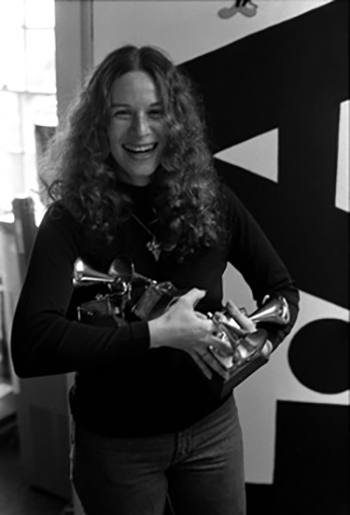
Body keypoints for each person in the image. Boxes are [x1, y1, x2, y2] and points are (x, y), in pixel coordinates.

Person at [11, 45, 299, 515]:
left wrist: (256, 342)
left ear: (175, 122)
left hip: (212, 432)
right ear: (98, 125)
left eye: (156, 112)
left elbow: (282, 290)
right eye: (122, 113)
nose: (140, 130)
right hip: (115, 445)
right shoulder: (68, 220)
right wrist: (156, 335)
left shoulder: (212, 199)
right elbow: (31, 346)